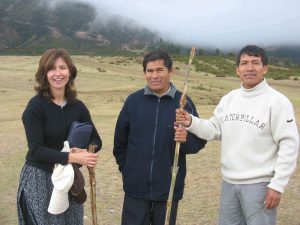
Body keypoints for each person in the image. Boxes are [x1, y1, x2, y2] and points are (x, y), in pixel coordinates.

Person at [176, 45, 299, 225]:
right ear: (237, 70)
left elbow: (289, 144)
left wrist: (277, 185)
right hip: (229, 183)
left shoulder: (277, 102)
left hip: (260, 185)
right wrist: (191, 121)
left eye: (255, 63)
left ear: (265, 68)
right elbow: (214, 129)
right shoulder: (229, 99)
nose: (249, 68)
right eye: (244, 63)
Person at [113, 50, 207, 225]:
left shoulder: (183, 103)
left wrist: (185, 140)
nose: (154, 76)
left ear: (171, 71)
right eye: (150, 71)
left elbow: (199, 141)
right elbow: (120, 142)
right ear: (144, 73)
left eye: (159, 70)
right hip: (136, 188)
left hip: (168, 190)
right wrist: (128, 171)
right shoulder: (133, 101)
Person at [16, 48, 102, 225]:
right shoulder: (35, 107)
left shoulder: (78, 107)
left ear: (70, 71)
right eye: (51, 68)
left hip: (69, 178)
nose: (58, 73)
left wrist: (86, 150)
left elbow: (96, 140)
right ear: (44, 74)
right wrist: (72, 156)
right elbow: (36, 150)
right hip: (40, 179)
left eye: (62, 67)